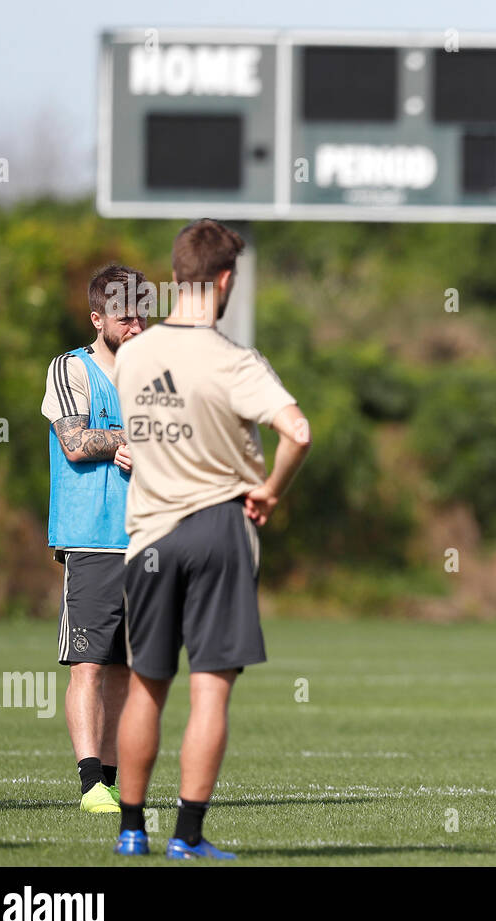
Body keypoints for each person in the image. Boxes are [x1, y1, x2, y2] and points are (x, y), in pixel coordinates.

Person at [112, 219, 312, 858]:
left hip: (146, 536)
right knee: (209, 688)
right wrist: (272, 489)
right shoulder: (234, 359)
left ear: (174, 276)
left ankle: (130, 832)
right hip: (219, 527)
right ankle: (188, 836)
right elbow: (298, 431)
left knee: (146, 683)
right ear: (226, 278)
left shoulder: (134, 353)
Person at [41, 264, 147, 813]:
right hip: (92, 539)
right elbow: (77, 442)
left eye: (141, 314)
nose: (135, 325)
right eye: (124, 316)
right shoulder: (70, 368)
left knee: (129, 670)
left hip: (146, 540)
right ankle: (89, 786)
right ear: (97, 318)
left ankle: (111, 777)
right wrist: (127, 438)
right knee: (89, 664)